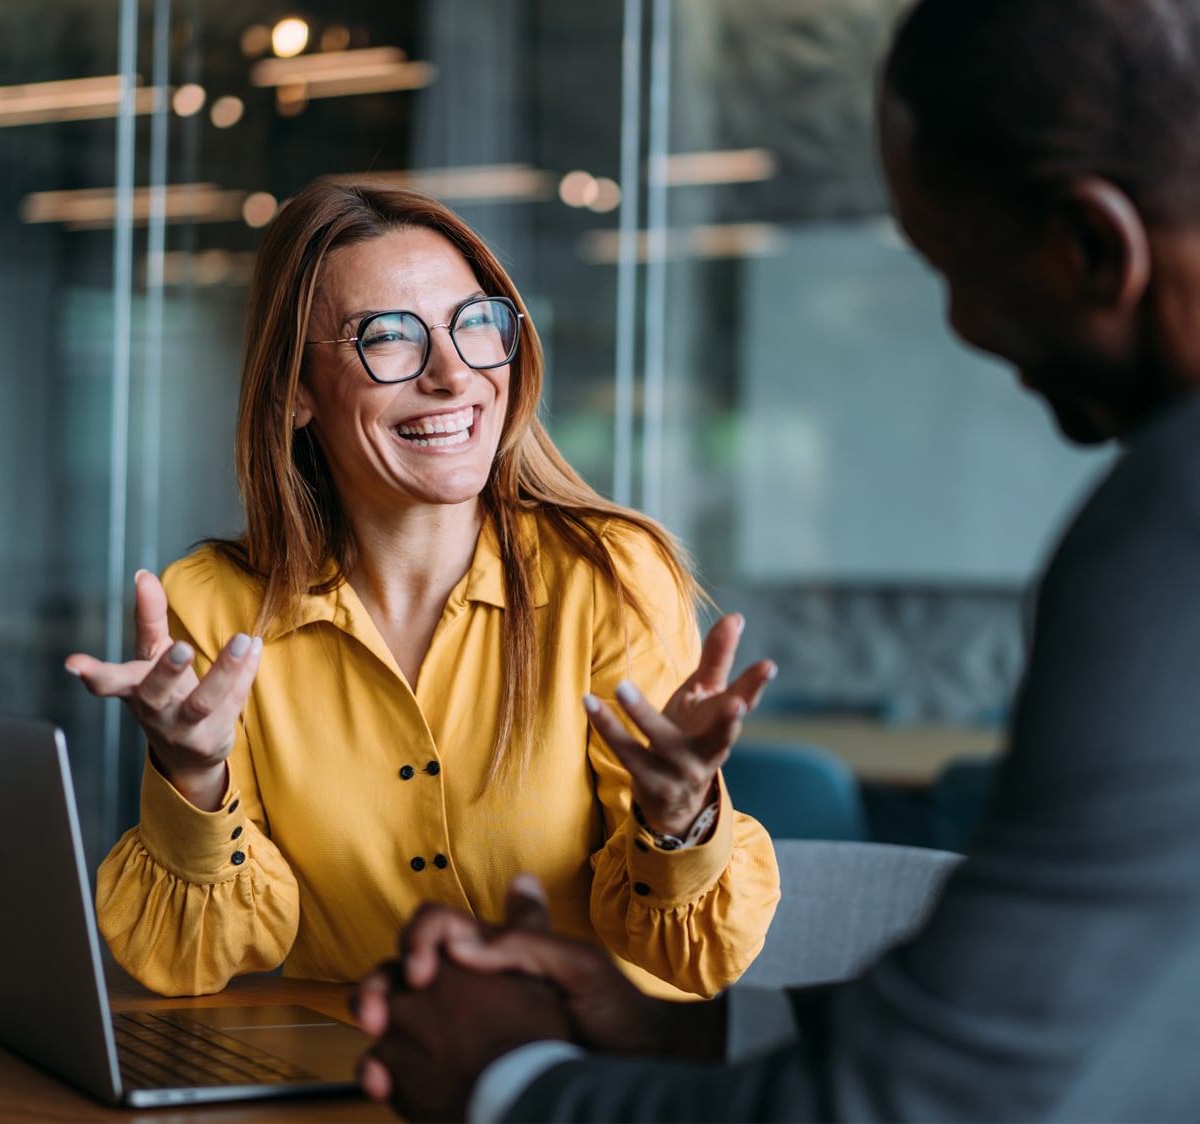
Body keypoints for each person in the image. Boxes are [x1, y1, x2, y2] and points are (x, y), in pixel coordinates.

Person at [355, 0, 1200, 1119]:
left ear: (1093, 248)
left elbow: (932, 1098)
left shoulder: (1167, 521)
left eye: (956, 264)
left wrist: (511, 1079)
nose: (957, 324)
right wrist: (676, 1023)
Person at [64, 179, 781, 1001]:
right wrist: (192, 777)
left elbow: (696, 961)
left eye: (475, 323)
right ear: (295, 390)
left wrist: (680, 821)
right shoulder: (216, 608)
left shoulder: (610, 576)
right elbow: (194, 963)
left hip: (574, 1086)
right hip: (348, 1082)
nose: (453, 373)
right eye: (389, 338)